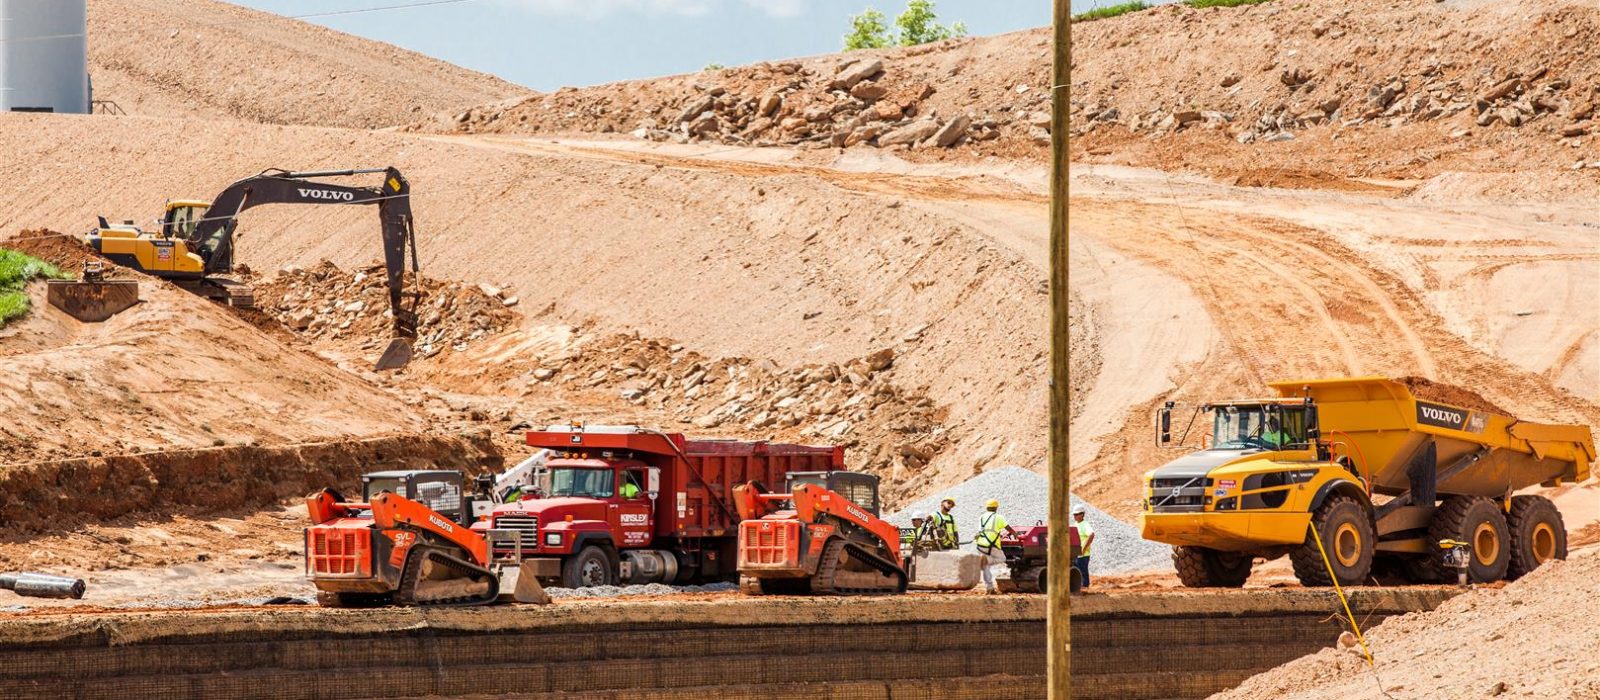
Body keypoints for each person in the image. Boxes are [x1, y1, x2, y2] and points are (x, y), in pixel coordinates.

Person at [975, 499, 1016, 594]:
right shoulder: (999, 517)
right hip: (992, 544)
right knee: (1002, 558)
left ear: (987, 507)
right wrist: (1015, 534)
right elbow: (1008, 528)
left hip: (981, 543)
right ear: (996, 508)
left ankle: (989, 588)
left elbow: (984, 530)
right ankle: (988, 560)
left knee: (986, 568)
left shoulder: (981, 517)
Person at [1071, 504, 1095, 589]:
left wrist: (1083, 549)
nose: (1075, 516)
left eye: (1077, 514)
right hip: (1076, 554)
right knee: (1077, 572)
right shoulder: (1075, 524)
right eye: (1074, 514)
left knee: (1083, 572)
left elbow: (1091, 535)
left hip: (1083, 555)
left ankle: (1085, 589)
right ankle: (1079, 587)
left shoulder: (1085, 524)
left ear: (1082, 514)